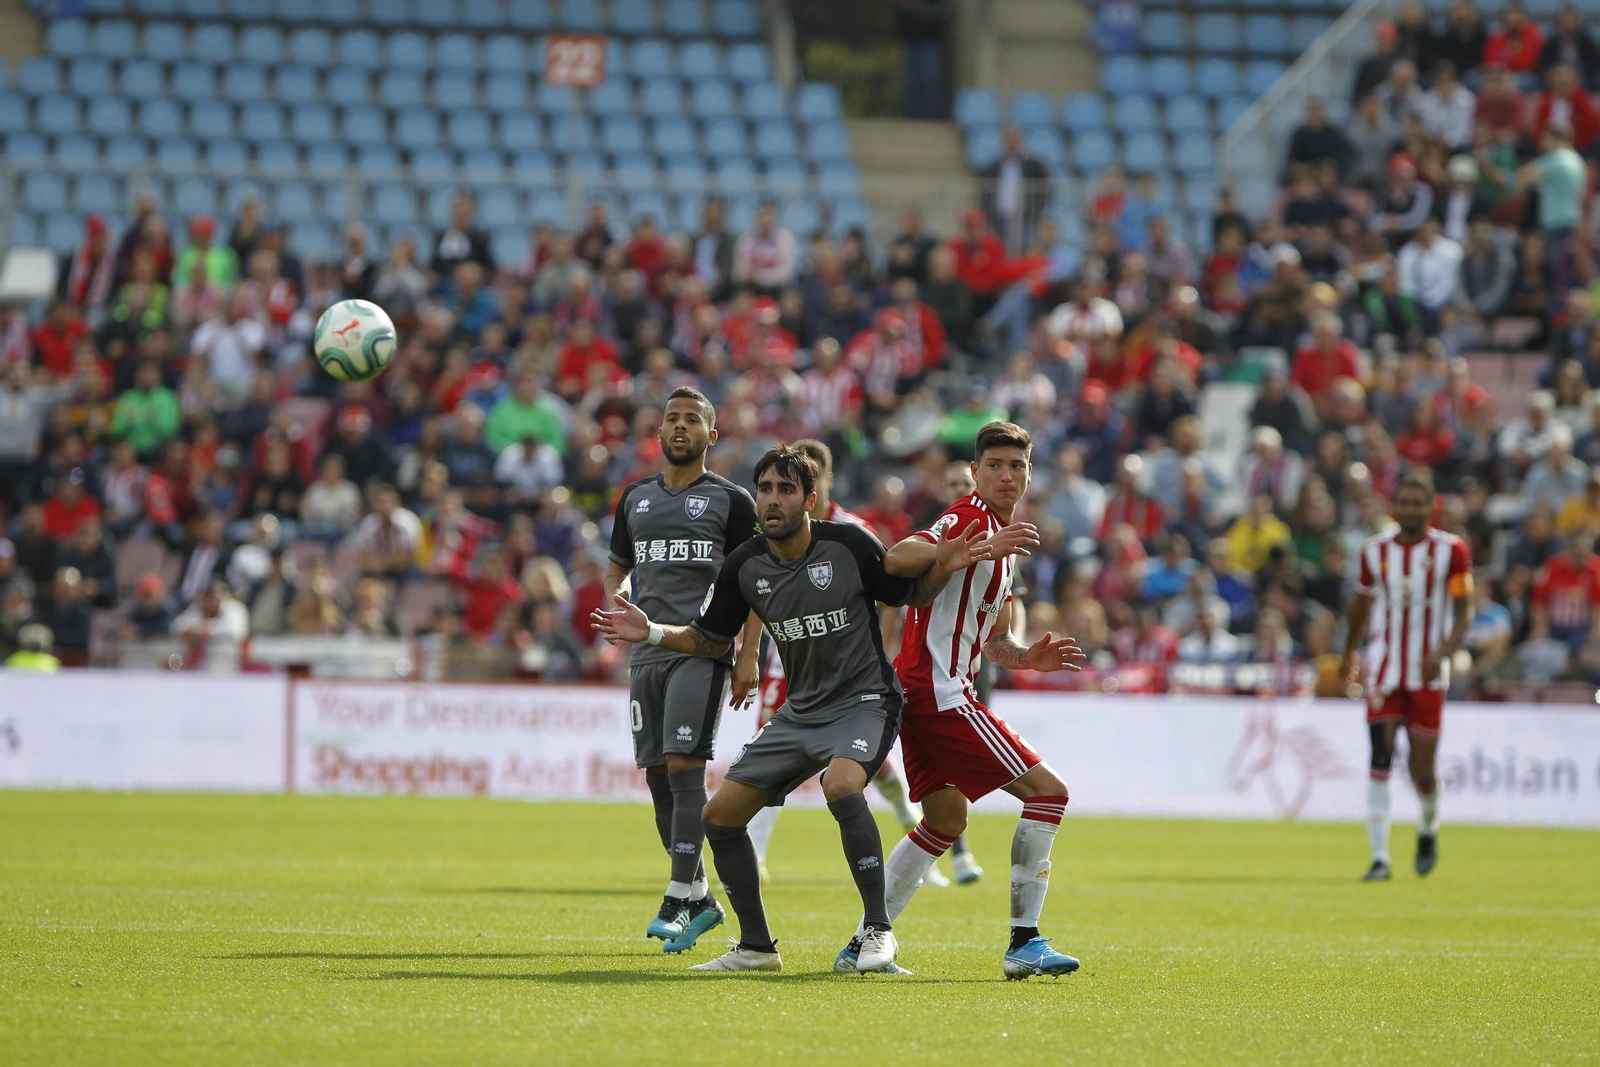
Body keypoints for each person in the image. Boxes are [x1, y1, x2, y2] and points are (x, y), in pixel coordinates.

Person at [593, 444, 957, 974]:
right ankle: (757, 948)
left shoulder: (849, 544)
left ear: (810, 499)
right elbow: (707, 638)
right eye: (764, 488)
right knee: (718, 817)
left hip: (864, 700)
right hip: (800, 712)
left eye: (786, 490)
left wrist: (944, 566)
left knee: (841, 785)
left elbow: (911, 595)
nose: (772, 499)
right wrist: (649, 630)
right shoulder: (744, 564)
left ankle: (877, 932)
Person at [853, 421, 1086, 980]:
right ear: (976, 472)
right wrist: (958, 550)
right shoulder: (970, 519)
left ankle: (863, 939)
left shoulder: (1004, 543)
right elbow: (896, 558)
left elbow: (995, 640)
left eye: (1017, 466)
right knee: (1049, 793)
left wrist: (1026, 658)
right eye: (995, 466)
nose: (1007, 475)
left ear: (1029, 474)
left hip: (922, 693)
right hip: (940, 693)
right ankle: (1024, 942)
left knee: (945, 819)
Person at [744, 439, 970, 888]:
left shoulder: (852, 531)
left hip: (848, 671)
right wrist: (750, 651)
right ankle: (756, 855)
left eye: (801, 480)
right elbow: (754, 586)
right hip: (786, 665)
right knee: (767, 757)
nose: (782, 494)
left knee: (868, 766)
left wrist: (881, 651)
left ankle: (910, 828)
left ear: (823, 482)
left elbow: (888, 595)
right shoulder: (771, 527)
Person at [600, 388, 763, 956]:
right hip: (646, 651)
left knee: (683, 764)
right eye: (672, 418)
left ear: (710, 436)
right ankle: (701, 897)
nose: (680, 426)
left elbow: (756, 582)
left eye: (693, 420)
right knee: (656, 777)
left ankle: (674, 897)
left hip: (702, 648)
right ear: (659, 432)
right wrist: (619, 600)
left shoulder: (731, 500)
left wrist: (748, 654)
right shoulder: (635, 497)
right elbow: (618, 567)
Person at [1342, 472, 1472, 883]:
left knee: (1422, 770)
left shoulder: (1451, 550)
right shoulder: (1374, 551)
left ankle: (1429, 824)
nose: (1411, 510)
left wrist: (1444, 652)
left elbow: (1465, 610)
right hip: (1384, 668)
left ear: (1432, 507)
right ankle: (1380, 858)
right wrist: (1348, 653)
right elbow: (1360, 606)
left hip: (1427, 673)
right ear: (1394, 507)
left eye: (1419, 503)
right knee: (1379, 757)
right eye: (1405, 503)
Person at [979, 124, 1051, 251]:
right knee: (1000, 248)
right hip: (999, 217)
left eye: (1014, 137)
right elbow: (984, 191)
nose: (1011, 141)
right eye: (1008, 137)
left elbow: (1046, 188)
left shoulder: (1034, 165)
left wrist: (1035, 209)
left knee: (1026, 249)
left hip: (1026, 217)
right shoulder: (992, 166)